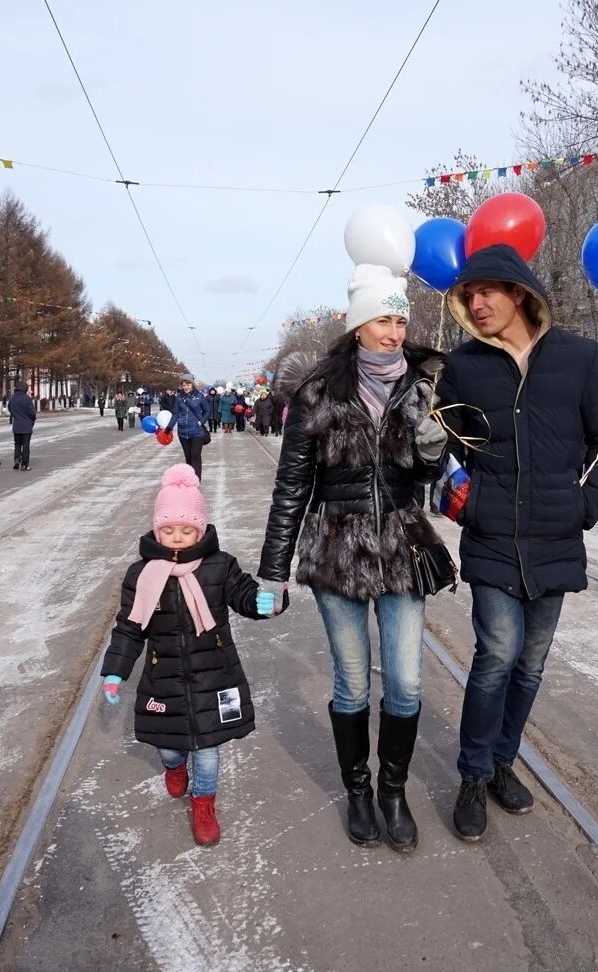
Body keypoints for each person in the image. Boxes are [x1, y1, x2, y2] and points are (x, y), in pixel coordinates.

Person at [434, 244, 598, 841]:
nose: (477, 303)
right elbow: (442, 445)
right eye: (469, 295)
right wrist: (460, 494)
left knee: (530, 665)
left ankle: (499, 765)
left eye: (487, 291)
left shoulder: (580, 357)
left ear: (518, 292)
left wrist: (584, 505)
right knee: (495, 657)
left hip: (555, 535)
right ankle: (470, 775)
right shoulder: (463, 366)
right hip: (491, 536)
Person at [259, 264, 446, 853]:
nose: (393, 332)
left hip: (402, 544)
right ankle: (359, 790)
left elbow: (428, 475)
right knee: (351, 685)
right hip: (336, 552)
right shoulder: (316, 391)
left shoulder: (424, 386)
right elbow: (291, 487)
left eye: (400, 319)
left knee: (408, 685)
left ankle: (394, 791)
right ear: (358, 324)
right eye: (382, 319)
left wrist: (432, 454)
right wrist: (273, 570)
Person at [101, 465, 287, 846]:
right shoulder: (142, 574)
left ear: (200, 530)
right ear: (156, 529)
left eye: (187, 531)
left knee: (208, 749)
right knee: (169, 745)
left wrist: (264, 602)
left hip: (213, 673)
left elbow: (244, 596)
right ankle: (174, 766)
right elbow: (129, 628)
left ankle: (203, 803)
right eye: (169, 530)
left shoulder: (219, 566)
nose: (178, 539)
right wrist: (115, 672)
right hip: (163, 676)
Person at [174, 373, 207, 479]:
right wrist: (168, 428)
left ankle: (196, 481)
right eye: (183, 385)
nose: (185, 387)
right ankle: (189, 480)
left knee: (195, 457)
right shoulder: (179, 397)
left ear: (192, 384)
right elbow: (175, 414)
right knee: (188, 458)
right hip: (183, 433)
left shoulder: (200, 396)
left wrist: (201, 421)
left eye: (188, 384)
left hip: (197, 432)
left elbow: (207, 411)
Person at [8, 381, 37, 471]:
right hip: (26, 425)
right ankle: (24, 465)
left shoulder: (12, 399)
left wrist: (16, 415)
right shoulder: (27, 399)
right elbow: (32, 413)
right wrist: (32, 420)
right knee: (26, 446)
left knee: (17, 444)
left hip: (16, 425)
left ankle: (17, 459)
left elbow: (10, 408)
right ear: (25, 388)